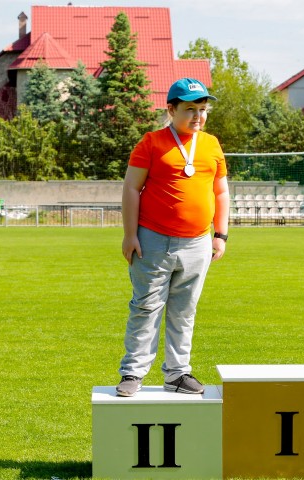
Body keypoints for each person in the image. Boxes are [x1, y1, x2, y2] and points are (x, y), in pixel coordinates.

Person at [116, 78, 230, 397]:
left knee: (184, 310)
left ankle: (178, 374)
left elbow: (220, 191)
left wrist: (220, 235)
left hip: (198, 243)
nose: (198, 116)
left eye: (202, 109)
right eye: (190, 109)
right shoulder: (151, 142)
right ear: (171, 109)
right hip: (152, 240)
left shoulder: (211, 144)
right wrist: (129, 235)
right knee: (146, 307)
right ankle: (132, 373)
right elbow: (130, 188)